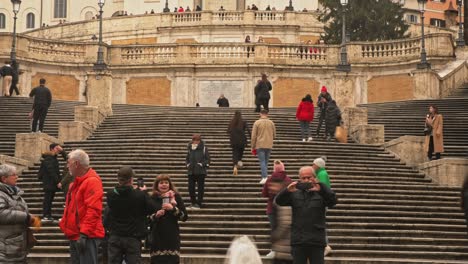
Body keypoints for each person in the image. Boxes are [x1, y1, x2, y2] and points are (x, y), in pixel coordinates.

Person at [275, 166, 337, 264]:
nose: (307, 180)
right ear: (300, 179)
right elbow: (279, 201)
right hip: (299, 240)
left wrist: (322, 188)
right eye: (303, 178)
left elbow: (333, 202)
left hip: (316, 240)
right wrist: (287, 190)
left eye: (309, 177)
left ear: (315, 177)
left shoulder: (321, 192)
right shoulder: (294, 193)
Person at [59, 149, 105, 264]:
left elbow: (93, 210)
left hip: (87, 236)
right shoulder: (77, 182)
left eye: (68, 162)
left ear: (76, 164)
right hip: (77, 235)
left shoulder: (92, 181)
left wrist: (84, 234)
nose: (67, 166)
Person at [105, 166, 157, 264]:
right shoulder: (139, 195)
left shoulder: (111, 194)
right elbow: (153, 208)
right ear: (131, 179)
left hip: (115, 235)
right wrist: (144, 192)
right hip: (133, 237)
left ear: (118, 179)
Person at [0, 164, 36, 263]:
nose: (17, 177)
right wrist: (26, 217)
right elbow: (1, 213)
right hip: (5, 250)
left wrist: (30, 220)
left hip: (16, 248)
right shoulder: (1, 194)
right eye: (13, 175)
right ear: (4, 178)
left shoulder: (13, 193)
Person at [149, 175, 188, 264]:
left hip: (172, 237)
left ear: (170, 184)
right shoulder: (152, 199)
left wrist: (173, 209)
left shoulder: (176, 197)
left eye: (166, 183)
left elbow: (184, 217)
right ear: (157, 185)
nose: (164, 185)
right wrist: (156, 215)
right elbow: (145, 219)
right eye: (161, 183)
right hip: (157, 237)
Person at [262, 160, 292, 258]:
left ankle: (273, 250)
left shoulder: (270, 179)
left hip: (271, 208)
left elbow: (264, 193)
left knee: (274, 228)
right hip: (287, 206)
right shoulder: (288, 180)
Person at [37, 143, 66, 221]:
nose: (58, 150)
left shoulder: (52, 157)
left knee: (49, 199)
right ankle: (46, 215)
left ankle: (47, 215)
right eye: (57, 148)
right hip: (49, 182)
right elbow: (52, 171)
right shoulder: (49, 158)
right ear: (52, 149)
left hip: (50, 182)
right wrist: (58, 182)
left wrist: (62, 151)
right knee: (48, 199)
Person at [312, 158, 332, 256]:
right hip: (321, 203)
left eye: (314, 164)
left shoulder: (322, 174)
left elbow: (322, 189)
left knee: (320, 224)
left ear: (318, 165)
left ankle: (326, 245)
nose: (312, 166)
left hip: (321, 203)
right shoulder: (321, 173)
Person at [251, 109, 276, 184]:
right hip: (269, 144)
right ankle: (265, 176)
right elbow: (274, 134)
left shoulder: (257, 122)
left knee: (262, 161)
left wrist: (252, 146)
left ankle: (264, 177)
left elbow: (253, 136)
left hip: (260, 144)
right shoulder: (271, 122)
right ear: (267, 114)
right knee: (266, 162)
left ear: (260, 114)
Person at [186, 134, 210, 208]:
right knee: (191, 188)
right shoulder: (190, 148)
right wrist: (187, 164)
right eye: (194, 140)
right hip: (191, 171)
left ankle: (199, 203)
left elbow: (208, 159)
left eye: (197, 140)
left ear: (200, 141)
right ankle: (193, 202)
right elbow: (187, 158)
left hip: (200, 171)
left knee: (200, 188)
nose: (195, 142)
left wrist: (201, 164)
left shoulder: (204, 148)